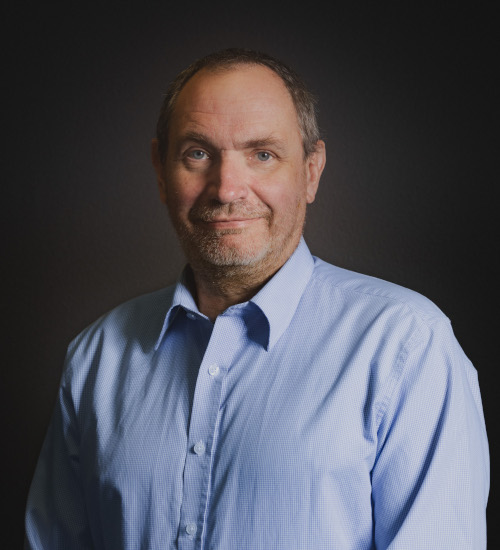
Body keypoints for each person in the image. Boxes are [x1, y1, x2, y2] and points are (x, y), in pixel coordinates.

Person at [25, 48, 489, 549]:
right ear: (161, 171)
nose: (227, 189)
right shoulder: (96, 357)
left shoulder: (406, 346)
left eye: (262, 154)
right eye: (197, 153)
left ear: (311, 171)